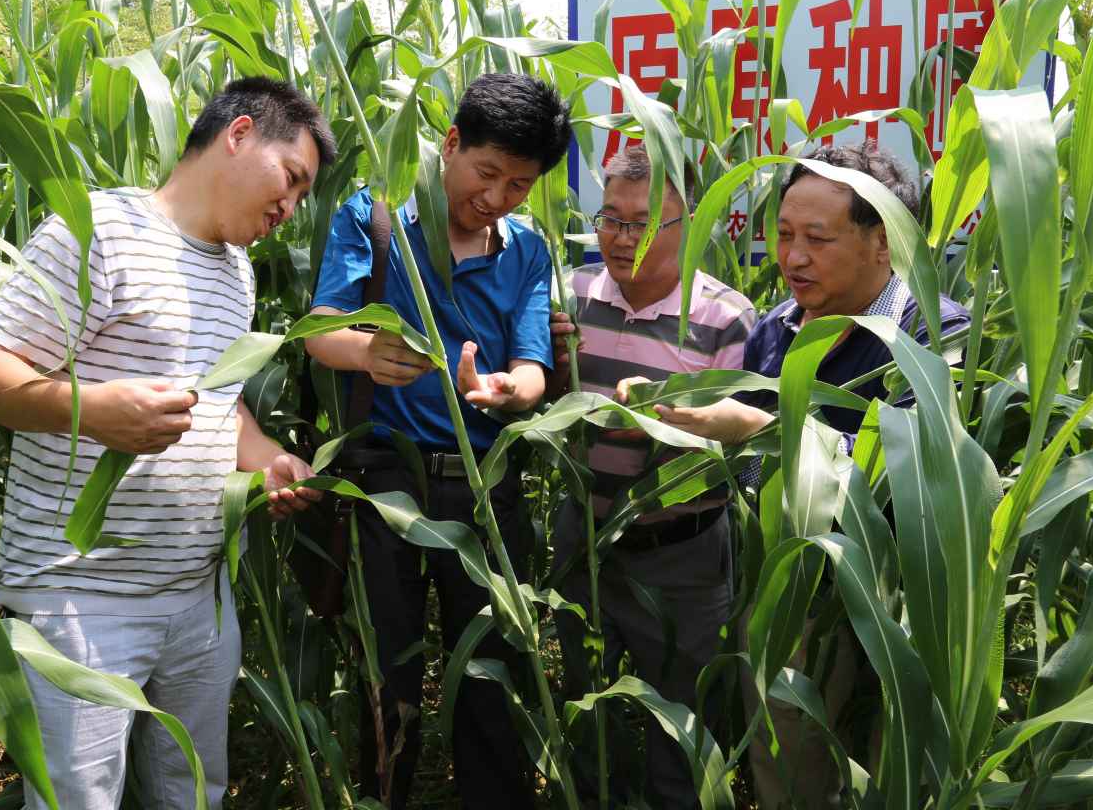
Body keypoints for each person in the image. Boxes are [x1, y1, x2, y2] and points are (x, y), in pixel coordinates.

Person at [0, 77, 336, 810]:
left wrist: (270, 461)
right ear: (240, 133)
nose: (288, 210)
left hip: (197, 599)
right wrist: (94, 412)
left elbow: (220, 408)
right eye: (290, 180)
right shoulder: (96, 229)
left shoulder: (237, 275)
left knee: (192, 793)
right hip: (80, 597)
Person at [626, 140, 972, 809]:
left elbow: (909, 479)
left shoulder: (932, 335)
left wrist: (759, 429)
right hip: (794, 590)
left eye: (818, 237)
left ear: (883, 241)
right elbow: (753, 473)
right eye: (783, 235)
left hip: (906, 598)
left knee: (895, 767)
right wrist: (682, 418)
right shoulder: (779, 330)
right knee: (788, 756)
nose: (793, 257)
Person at [304, 72, 571, 808]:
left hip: (482, 483)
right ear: (450, 144)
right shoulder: (377, 218)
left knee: (492, 668)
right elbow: (322, 326)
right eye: (486, 173)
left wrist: (511, 391)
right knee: (384, 674)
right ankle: (382, 790)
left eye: (519, 185)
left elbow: (531, 367)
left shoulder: (523, 249)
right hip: (384, 481)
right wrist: (365, 350)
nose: (496, 197)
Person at [547, 144, 756, 808]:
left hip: (685, 555)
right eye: (610, 219)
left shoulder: (727, 320)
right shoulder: (570, 298)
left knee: (685, 728)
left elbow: (748, 452)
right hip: (584, 542)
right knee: (585, 715)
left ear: (687, 229)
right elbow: (543, 400)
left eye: (641, 224)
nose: (620, 237)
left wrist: (670, 428)